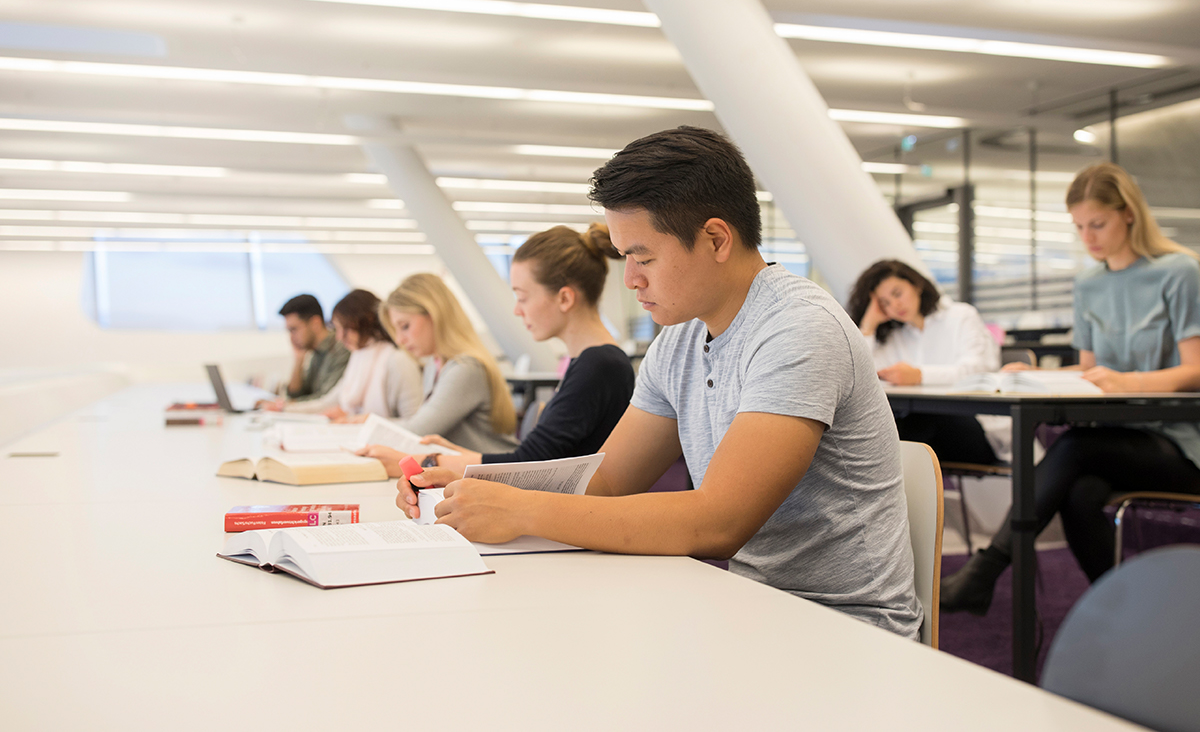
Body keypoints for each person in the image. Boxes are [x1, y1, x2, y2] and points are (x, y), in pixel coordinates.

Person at [399, 126, 921, 638]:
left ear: (716, 238)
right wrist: (475, 488)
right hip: (750, 606)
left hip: (847, 630)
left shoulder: (799, 329)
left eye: (643, 257)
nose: (630, 280)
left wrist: (523, 509)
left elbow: (718, 522)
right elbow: (608, 482)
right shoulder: (680, 338)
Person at [941, 162, 1200, 614]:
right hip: (1116, 439)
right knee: (1078, 495)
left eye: (1097, 224)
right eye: (1079, 226)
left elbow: (1195, 370)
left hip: (1179, 442)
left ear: (1129, 215)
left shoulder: (1179, 272)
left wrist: (1128, 381)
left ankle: (985, 572)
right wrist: (1037, 375)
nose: (1089, 237)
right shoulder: (1089, 284)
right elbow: (1089, 372)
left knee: (1075, 447)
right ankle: (1128, 608)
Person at [362, 224, 635, 475]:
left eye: (522, 297)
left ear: (564, 298)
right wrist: (456, 454)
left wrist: (430, 462)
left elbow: (531, 464)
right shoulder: (590, 361)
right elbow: (537, 458)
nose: (517, 310)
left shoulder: (599, 364)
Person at [848, 259, 1009, 465]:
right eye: (884, 303)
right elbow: (863, 375)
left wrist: (919, 375)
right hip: (929, 436)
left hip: (979, 429)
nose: (895, 305)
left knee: (916, 423)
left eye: (897, 294)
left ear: (916, 284)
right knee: (887, 425)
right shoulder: (896, 336)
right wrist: (869, 325)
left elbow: (976, 371)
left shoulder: (960, 316)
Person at [375, 273, 519, 454]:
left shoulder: (466, 368)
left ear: (435, 315)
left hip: (494, 473)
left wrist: (370, 426)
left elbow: (418, 431)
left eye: (405, 326)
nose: (399, 340)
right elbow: (418, 423)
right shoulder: (433, 366)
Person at [285, 289, 423, 421]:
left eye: (346, 329)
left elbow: (414, 422)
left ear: (366, 323)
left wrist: (358, 420)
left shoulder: (397, 360)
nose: (339, 337)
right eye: (337, 329)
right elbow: (328, 402)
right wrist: (284, 409)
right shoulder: (359, 356)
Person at [256, 294, 349, 408]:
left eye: (294, 329)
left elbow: (324, 400)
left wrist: (281, 405)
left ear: (315, 323)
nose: (291, 337)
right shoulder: (314, 352)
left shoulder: (341, 348)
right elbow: (296, 394)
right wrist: (298, 360)